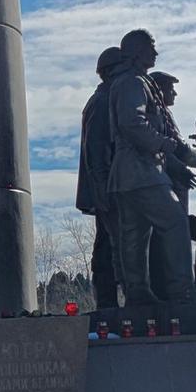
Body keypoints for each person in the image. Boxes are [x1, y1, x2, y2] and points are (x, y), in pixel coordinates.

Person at [107, 30, 196, 305]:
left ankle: (138, 294)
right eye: (151, 47)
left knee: (135, 235)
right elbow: (132, 123)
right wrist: (166, 145)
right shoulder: (133, 83)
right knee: (174, 221)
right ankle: (182, 290)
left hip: (128, 175)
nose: (155, 53)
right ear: (137, 51)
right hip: (143, 170)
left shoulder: (131, 82)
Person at [76, 46, 124, 308]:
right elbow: (96, 150)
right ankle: (108, 304)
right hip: (107, 188)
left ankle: (109, 304)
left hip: (108, 186)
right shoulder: (103, 101)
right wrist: (104, 189)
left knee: (109, 246)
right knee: (113, 248)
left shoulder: (106, 99)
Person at [149, 71, 195, 301]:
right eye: (170, 88)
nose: (174, 93)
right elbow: (170, 147)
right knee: (169, 236)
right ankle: (176, 291)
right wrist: (184, 164)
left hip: (173, 183)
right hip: (166, 183)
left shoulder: (164, 114)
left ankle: (176, 289)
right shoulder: (156, 113)